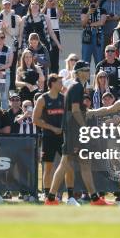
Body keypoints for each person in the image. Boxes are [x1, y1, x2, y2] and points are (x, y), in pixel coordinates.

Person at [45, 60, 109, 206]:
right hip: (74, 131)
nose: (88, 72)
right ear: (79, 72)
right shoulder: (77, 87)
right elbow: (74, 111)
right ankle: (50, 198)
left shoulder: (77, 87)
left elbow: (77, 109)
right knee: (65, 163)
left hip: (74, 131)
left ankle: (94, 199)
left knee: (84, 164)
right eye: (86, 70)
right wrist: (84, 126)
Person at [33, 74, 78, 205]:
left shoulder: (64, 99)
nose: (62, 84)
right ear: (52, 83)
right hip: (48, 137)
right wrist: (52, 128)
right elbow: (35, 120)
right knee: (48, 168)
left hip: (63, 137)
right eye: (59, 82)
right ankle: (48, 197)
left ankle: (70, 197)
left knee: (69, 166)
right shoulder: (42, 99)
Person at [0, 0, 23, 91]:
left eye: (9, 4)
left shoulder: (16, 18)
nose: (7, 6)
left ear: (11, 5)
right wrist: (1, 30)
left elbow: (18, 32)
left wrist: (7, 29)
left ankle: (11, 89)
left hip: (12, 47)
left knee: (12, 68)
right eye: (5, 4)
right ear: (2, 5)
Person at [80, 0, 107, 68]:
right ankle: (85, 79)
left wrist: (90, 24)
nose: (93, 3)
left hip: (98, 36)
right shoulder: (85, 10)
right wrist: (89, 13)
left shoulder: (102, 10)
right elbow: (83, 23)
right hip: (87, 35)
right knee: (85, 60)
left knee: (99, 60)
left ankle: (98, 78)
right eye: (91, 1)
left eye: (95, 1)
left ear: (98, 2)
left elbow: (102, 22)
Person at [42, 0, 63, 73]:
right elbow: (39, 15)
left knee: (55, 55)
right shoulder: (44, 8)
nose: (51, 0)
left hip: (55, 32)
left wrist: (56, 4)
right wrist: (45, 5)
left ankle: (55, 74)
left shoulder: (56, 8)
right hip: (46, 33)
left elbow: (60, 15)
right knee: (46, 54)